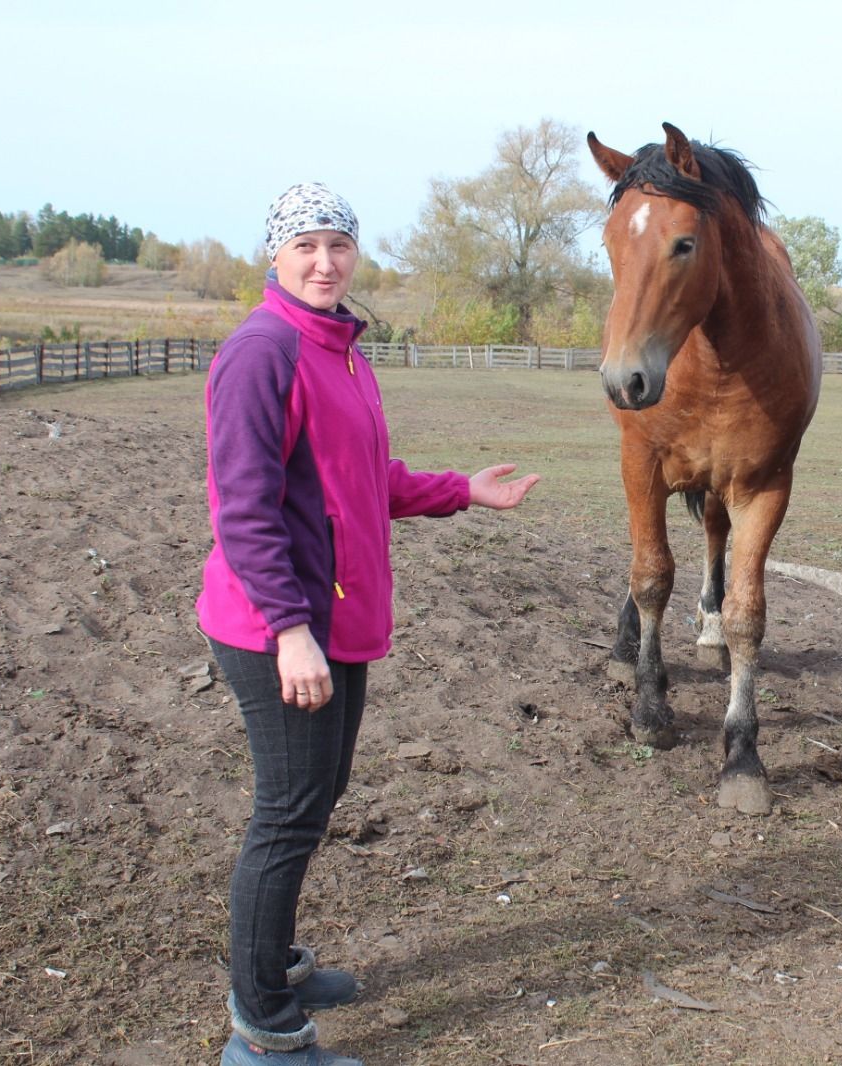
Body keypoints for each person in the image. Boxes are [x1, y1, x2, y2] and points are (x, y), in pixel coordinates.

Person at [197, 182, 540, 1066]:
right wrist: (288, 630)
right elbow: (243, 511)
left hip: (332, 614)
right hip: (280, 625)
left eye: (337, 245)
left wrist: (464, 490)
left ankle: (272, 964)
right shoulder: (260, 352)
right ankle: (264, 1035)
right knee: (288, 811)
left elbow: (366, 481)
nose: (324, 261)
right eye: (305, 245)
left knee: (315, 797)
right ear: (274, 255)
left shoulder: (341, 347)